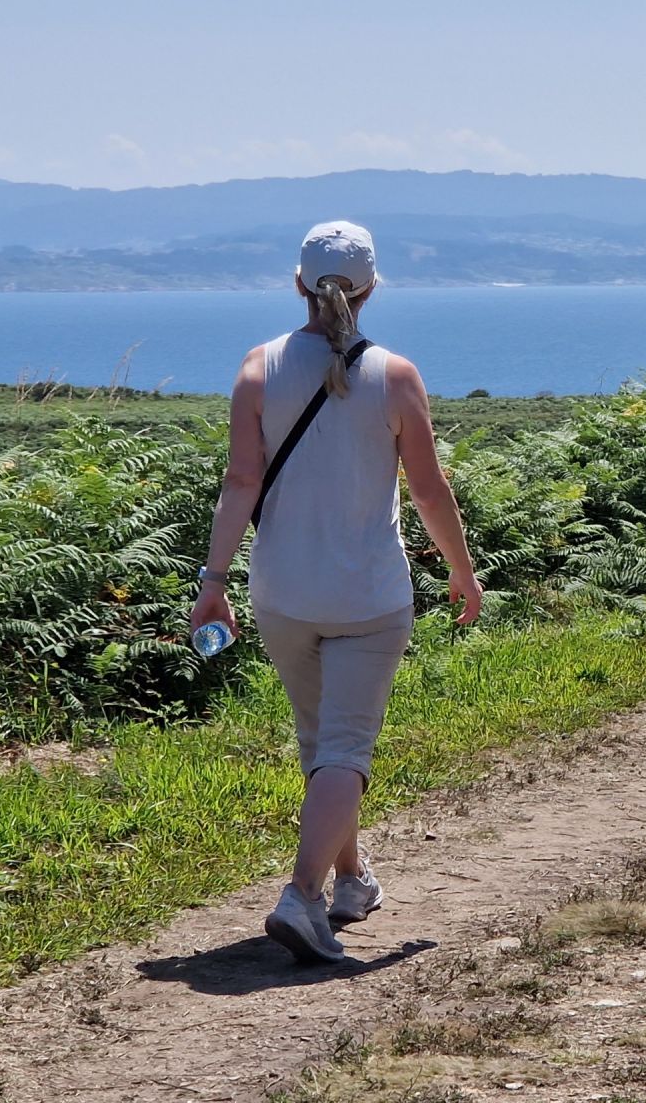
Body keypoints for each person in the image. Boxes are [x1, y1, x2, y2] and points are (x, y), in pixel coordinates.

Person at [190, 221, 483, 964]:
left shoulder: (258, 368)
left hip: (282, 593)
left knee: (321, 743)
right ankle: (302, 897)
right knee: (345, 749)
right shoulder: (396, 375)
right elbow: (427, 487)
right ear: (372, 287)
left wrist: (213, 583)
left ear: (298, 284)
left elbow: (240, 482)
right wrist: (461, 567)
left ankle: (351, 880)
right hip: (368, 597)